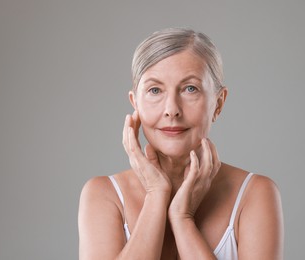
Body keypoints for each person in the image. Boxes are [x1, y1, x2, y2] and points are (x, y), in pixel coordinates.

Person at [78, 28, 284, 260]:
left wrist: (182, 218)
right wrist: (156, 195)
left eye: (190, 89)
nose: (172, 110)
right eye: (155, 90)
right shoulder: (103, 195)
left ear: (218, 103)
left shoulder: (255, 194)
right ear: (135, 104)